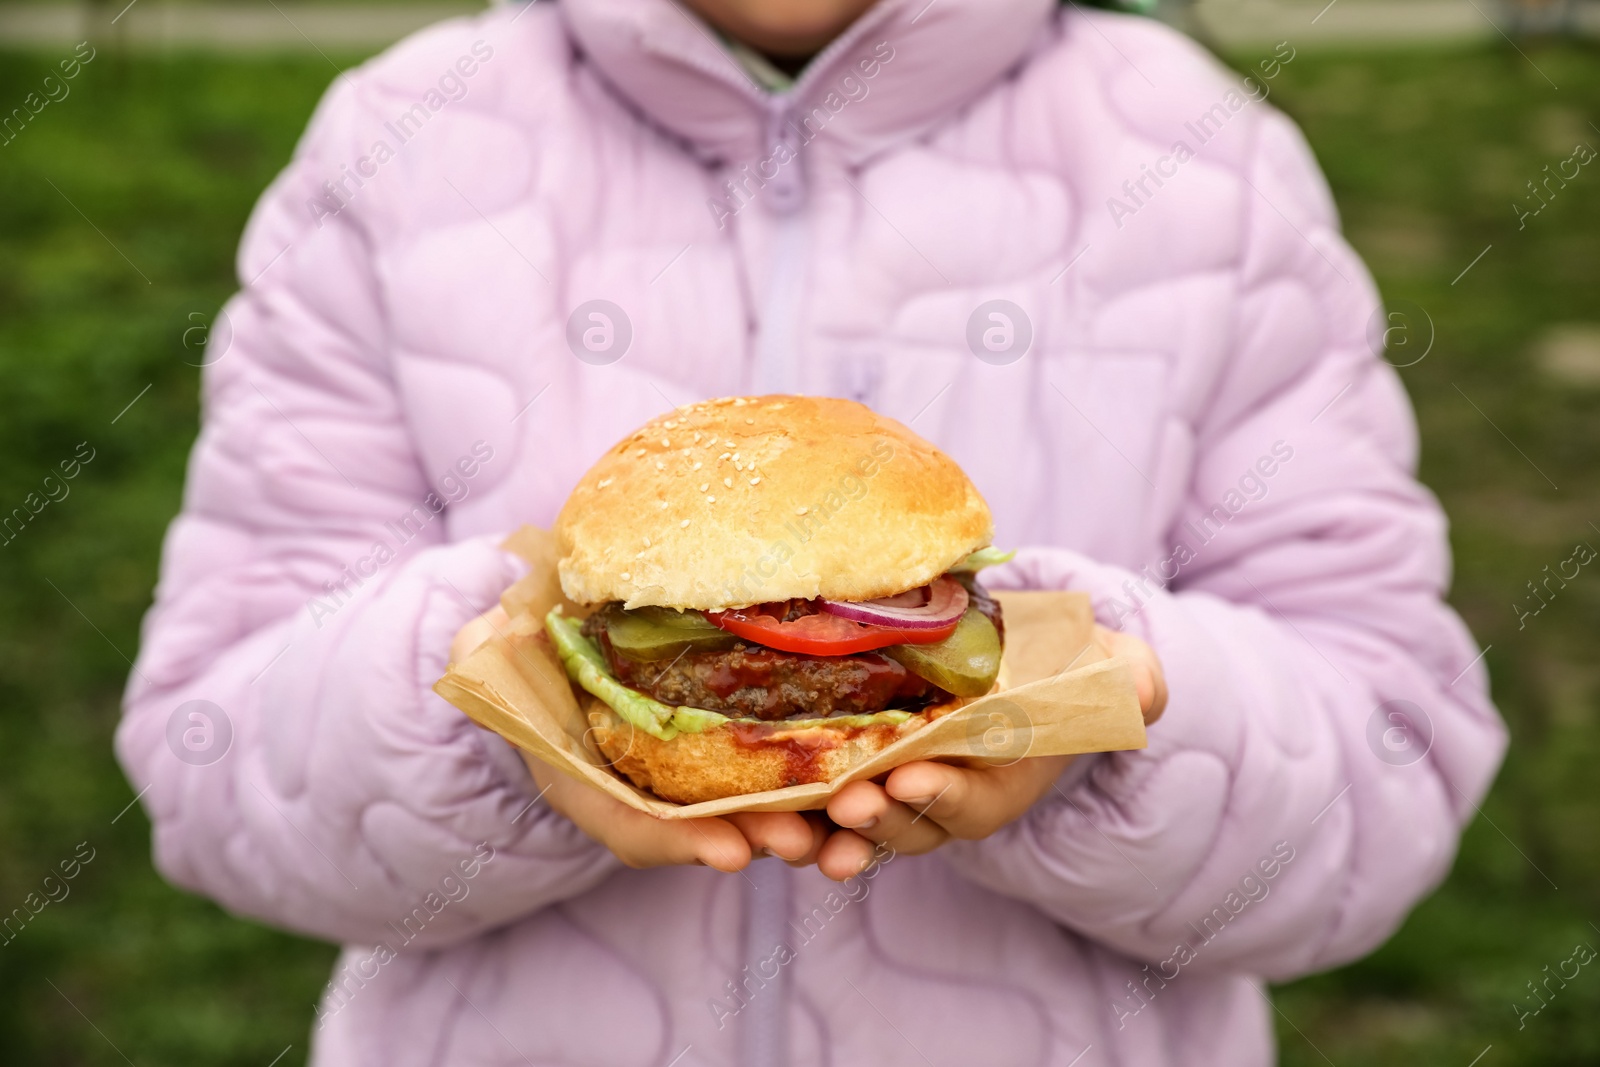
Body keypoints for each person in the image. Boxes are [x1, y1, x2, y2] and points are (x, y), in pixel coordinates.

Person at [115, 0, 1507, 1064]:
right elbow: (208, 776)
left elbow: (1387, 797)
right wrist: (497, 724)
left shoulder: (1209, 161)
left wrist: (1103, 726)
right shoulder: (398, 142)